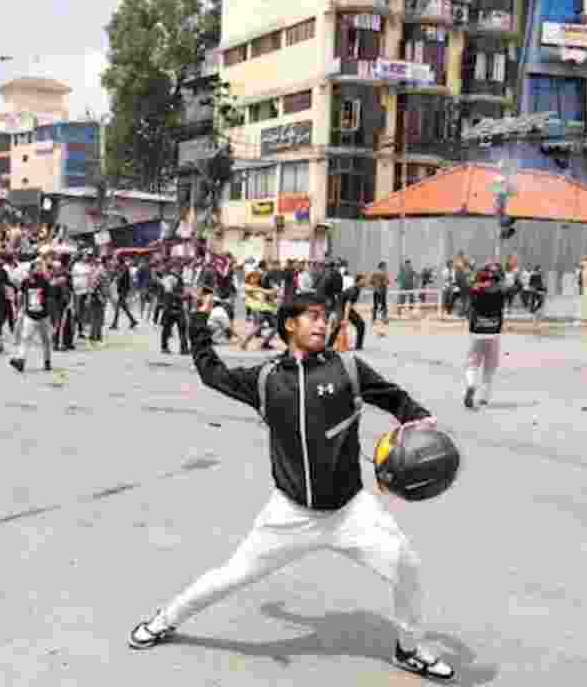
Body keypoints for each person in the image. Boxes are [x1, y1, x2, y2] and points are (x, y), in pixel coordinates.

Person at [127, 291, 455, 681]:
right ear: (289, 324)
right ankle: (164, 620)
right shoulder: (266, 379)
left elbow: (393, 398)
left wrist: (418, 417)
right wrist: (198, 324)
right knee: (232, 575)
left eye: (325, 316)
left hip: (351, 511)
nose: (322, 323)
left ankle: (409, 648)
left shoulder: (348, 368)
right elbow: (211, 373)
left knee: (407, 567)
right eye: (312, 316)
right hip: (290, 514)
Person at [464, 263, 519, 409]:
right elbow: (516, 287)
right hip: (494, 333)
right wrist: (514, 274)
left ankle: (471, 384)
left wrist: (474, 275)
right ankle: (484, 397)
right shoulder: (502, 290)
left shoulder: (476, 289)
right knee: (489, 367)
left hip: (476, 332)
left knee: (471, 365)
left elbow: (467, 285)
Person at [10, 256, 54, 373]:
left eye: (40, 267)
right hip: (30, 315)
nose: (38, 269)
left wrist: (51, 315)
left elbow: (50, 298)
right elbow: (22, 295)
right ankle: (21, 360)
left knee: (46, 340)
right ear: (31, 269)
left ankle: (47, 361)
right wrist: (19, 310)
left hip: (43, 316)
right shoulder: (26, 282)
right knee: (25, 338)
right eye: (36, 267)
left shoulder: (45, 282)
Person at [157, 264, 189, 355]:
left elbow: (183, 291)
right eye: (177, 268)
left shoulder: (180, 279)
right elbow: (168, 292)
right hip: (169, 308)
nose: (179, 270)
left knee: (182, 327)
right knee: (167, 328)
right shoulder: (169, 279)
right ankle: (164, 347)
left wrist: (186, 296)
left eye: (180, 268)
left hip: (178, 307)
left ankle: (184, 348)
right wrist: (181, 297)